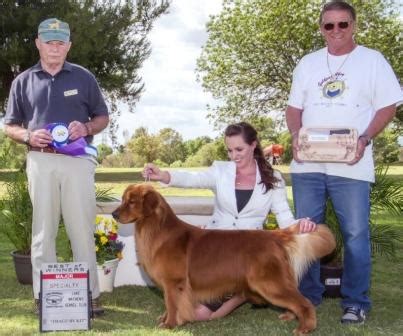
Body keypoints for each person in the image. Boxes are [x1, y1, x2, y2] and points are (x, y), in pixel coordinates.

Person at [285, 0, 403, 325]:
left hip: (351, 165)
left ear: (354, 25)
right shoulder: (307, 64)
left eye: (343, 24)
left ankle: (356, 302)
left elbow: (388, 106)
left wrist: (364, 139)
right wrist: (295, 135)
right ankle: (307, 298)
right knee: (305, 233)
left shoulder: (372, 61)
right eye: (329, 25)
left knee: (354, 235)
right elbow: (294, 109)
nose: (336, 31)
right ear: (322, 29)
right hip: (308, 165)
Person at [143, 121, 316, 321]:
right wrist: (162, 175)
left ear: (253, 145)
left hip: (249, 256)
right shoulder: (220, 171)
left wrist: (301, 224)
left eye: (239, 149)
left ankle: (247, 287)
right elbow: (193, 178)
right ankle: (243, 292)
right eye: (230, 150)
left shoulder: (273, 178)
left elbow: (284, 216)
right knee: (196, 314)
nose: (234, 156)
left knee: (200, 313)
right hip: (216, 256)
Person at [4, 18, 109, 315]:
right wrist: (27, 135)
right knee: (43, 230)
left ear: (68, 46)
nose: (54, 47)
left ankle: (90, 296)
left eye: (60, 42)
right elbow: (9, 125)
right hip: (40, 160)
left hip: (78, 161)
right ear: (38, 43)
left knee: (81, 228)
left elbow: (103, 117)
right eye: (48, 41)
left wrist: (87, 127)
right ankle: (44, 295)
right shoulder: (22, 81)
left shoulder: (84, 77)